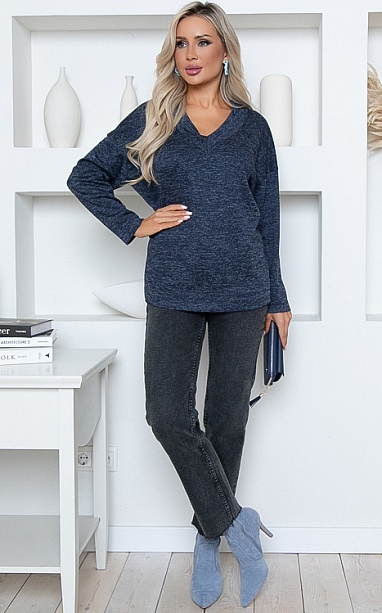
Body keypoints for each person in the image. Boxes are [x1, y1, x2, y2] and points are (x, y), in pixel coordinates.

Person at [67, 1, 291, 608]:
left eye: (203, 42)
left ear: (225, 52)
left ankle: (206, 539)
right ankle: (236, 522)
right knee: (166, 413)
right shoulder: (154, 119)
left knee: (227, 420)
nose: (191, 54)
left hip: (244, 289)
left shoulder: (253, 129)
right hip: (173, 285)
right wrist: (135, 223)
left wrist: (277, 298)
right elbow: (86, 175)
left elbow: (268, 218)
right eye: (182, 43)